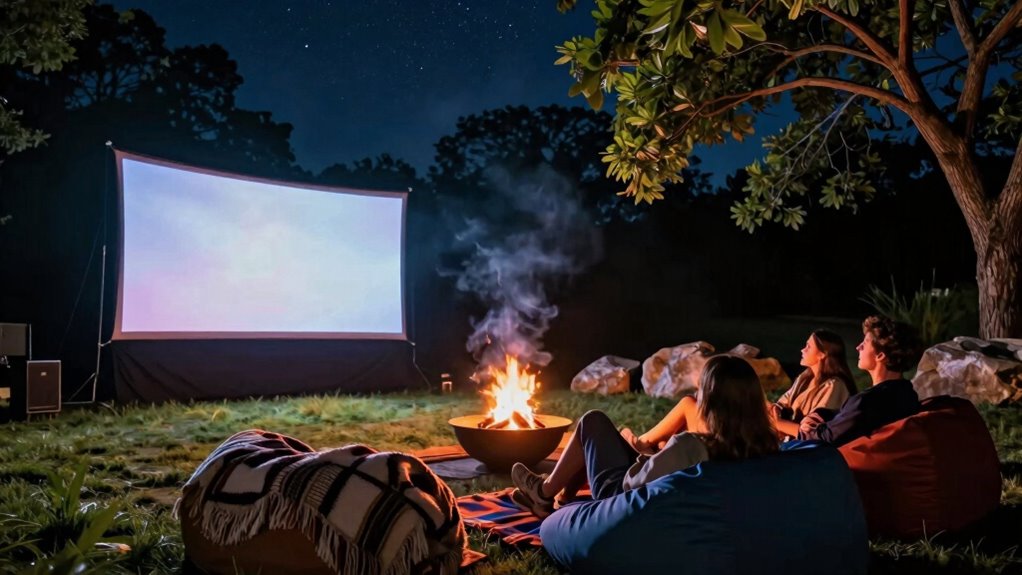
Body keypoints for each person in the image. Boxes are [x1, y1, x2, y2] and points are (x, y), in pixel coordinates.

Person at [510, 355, 779, 518]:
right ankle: (559, 500)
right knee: (606, 438)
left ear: (710, 401)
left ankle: (544, 493)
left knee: (593, 422)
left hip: (620, 500)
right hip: (675, 497)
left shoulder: (690, 446)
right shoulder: (764, 444)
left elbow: (633, 484)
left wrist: (644, 454)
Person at [799, 316, 922, 446]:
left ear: (880, 355)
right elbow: (846, 415)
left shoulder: (867, 401)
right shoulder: (907, 393)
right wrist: (821, 414)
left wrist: (808, 427)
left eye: (865, 343)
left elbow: (825, 438)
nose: (858, 347)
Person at [771, 330, 857, 439]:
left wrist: (779, 423)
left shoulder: (834, 386)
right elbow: (782, 403)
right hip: (792, 444)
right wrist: (775, 410)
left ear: (822, 354)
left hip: (809, 450)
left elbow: (813, 431)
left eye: (808, 346)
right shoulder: (804, 378)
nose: (802, 350)